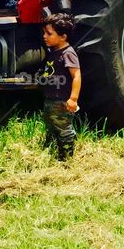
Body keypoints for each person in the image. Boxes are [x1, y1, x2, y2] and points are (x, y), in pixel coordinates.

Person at [40, 13, 81, 161]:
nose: (45, 36)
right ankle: (52, 151)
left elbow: (76, 76)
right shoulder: (54, 51)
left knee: (64, 129)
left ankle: (66, 158)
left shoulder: (68, 53)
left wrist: (73, 99)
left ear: (63, 37)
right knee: (52, 125)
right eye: (44, 32)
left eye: (49, 33)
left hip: (62, 101)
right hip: (51, 99)